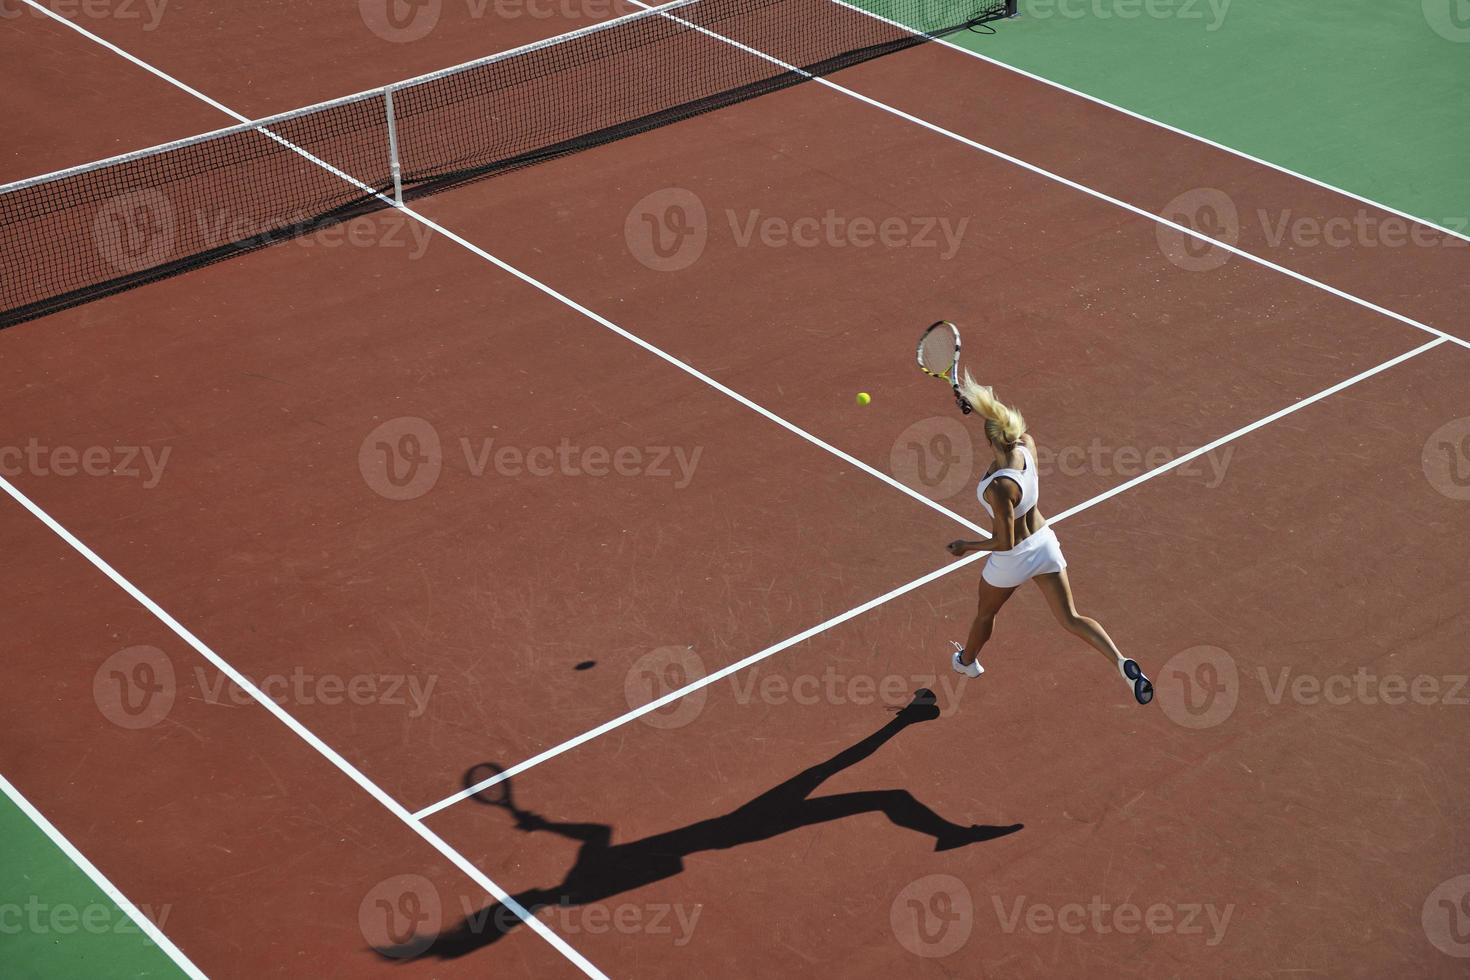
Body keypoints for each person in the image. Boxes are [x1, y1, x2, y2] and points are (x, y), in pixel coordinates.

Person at [944, 372, 1153, 705]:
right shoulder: (1026, 445)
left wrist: (966, 545)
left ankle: (967, 662)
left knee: (985, 615)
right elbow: (1001, 419)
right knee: (1070, 617)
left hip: (1011, 560)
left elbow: (1005, 542)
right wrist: (973, 401)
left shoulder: (999, 488)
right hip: (1044, 545)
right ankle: (1120, 662)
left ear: (990, 442)